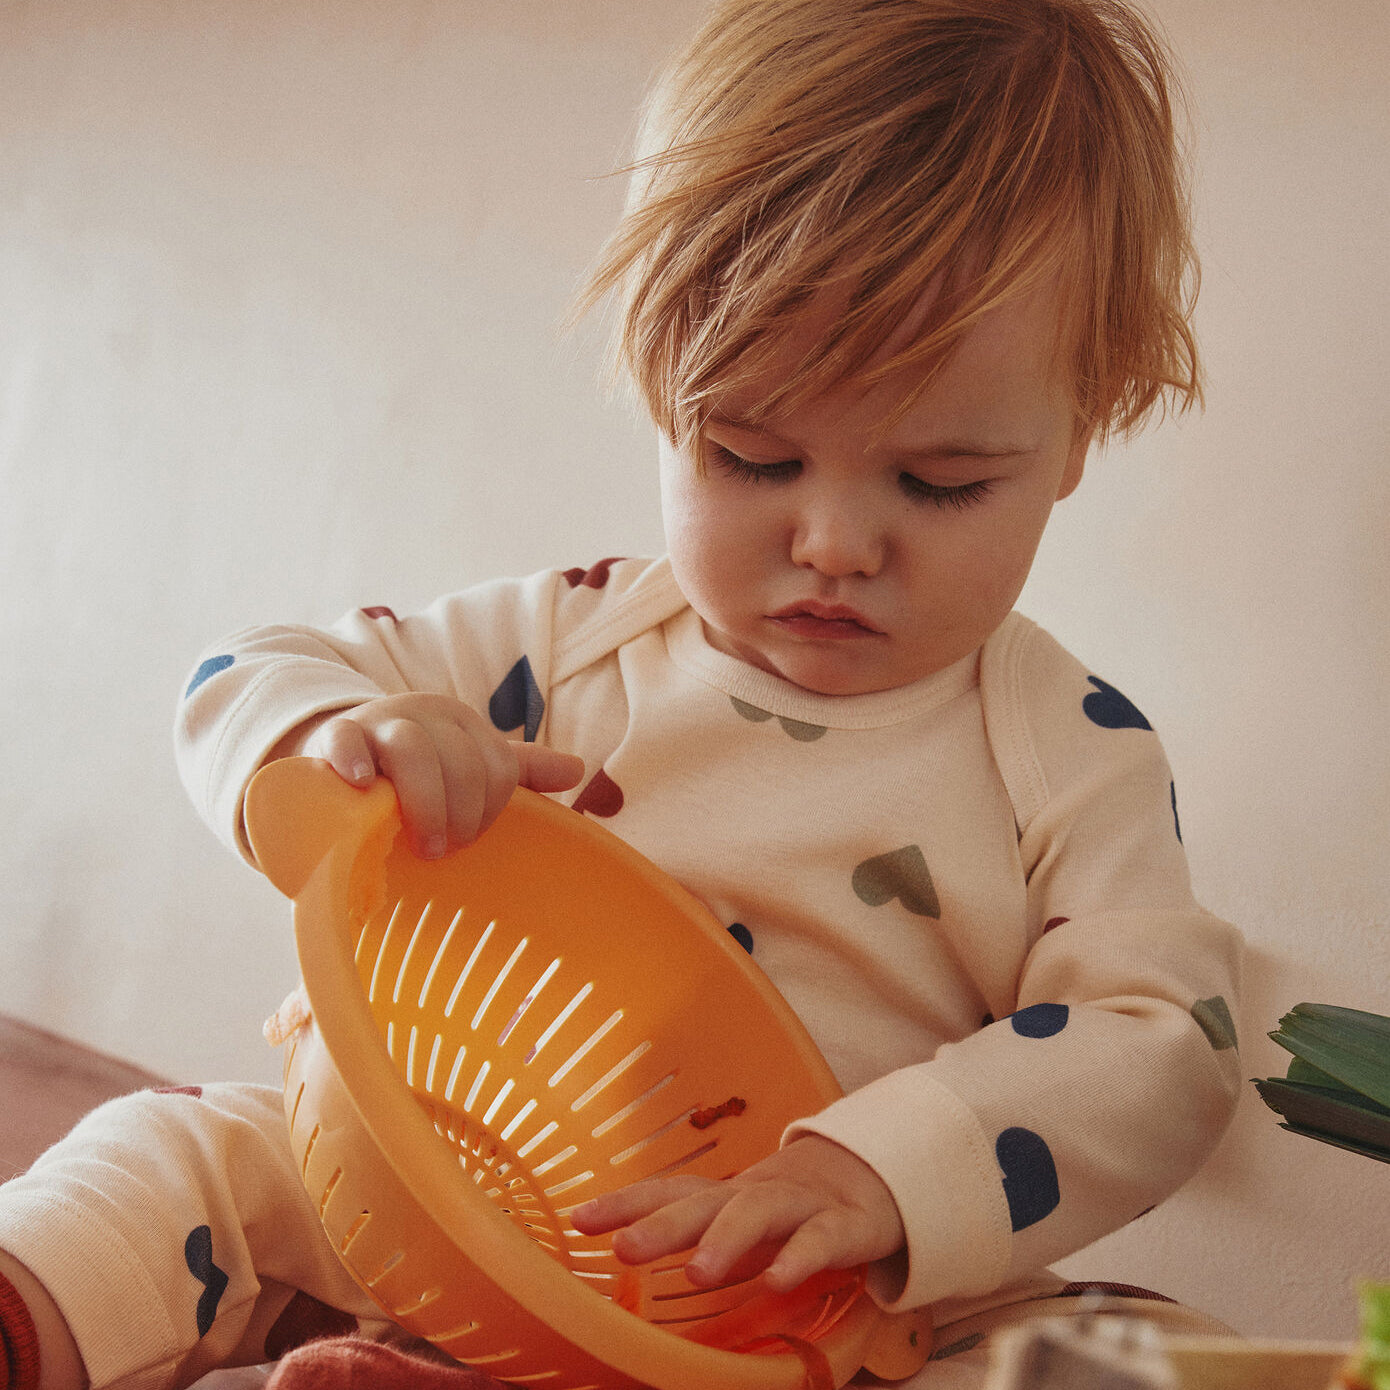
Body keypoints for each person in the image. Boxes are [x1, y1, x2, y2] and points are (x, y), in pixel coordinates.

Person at [0, 0, 1245, 1386]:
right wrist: (341, 733)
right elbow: (245, 672)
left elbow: (1160, 1041)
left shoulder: (1069, 753)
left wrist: (876, 1177)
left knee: (1146, 1351)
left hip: (826, 1319)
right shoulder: (573, 635)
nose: (832, 540)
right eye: (751, 456)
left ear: (1081, 427)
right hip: (468, 1202)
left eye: (938, 481)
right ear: (661, 392)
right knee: (190, 1151)